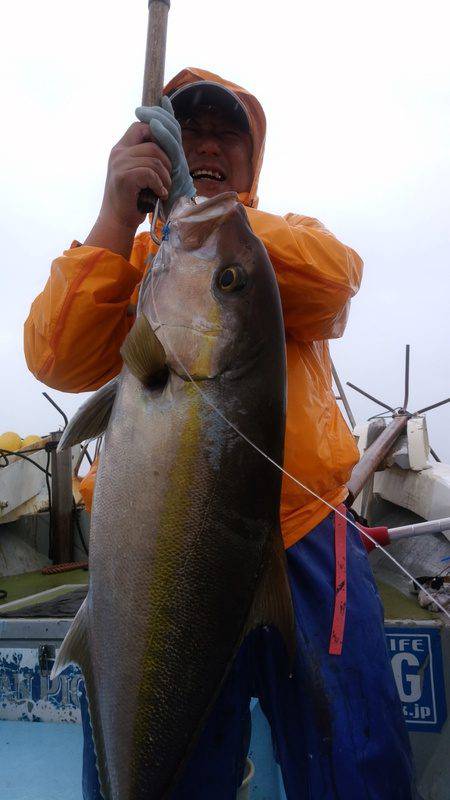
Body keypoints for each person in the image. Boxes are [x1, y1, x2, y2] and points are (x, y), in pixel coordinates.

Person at [24, 68, 415, 799]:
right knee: (171, 768)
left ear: (252, 158)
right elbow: (57, 354)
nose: (205, 143)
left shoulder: (267, 247)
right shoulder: (140, 270)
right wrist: (117, 215)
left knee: (354, 760)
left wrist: (202, 218)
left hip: (304, 539)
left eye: (225, 132)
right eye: (187, 130)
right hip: (161, 557)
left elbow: (335, 281)